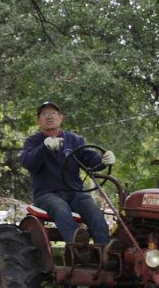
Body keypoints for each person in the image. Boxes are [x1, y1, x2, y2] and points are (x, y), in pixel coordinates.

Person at [19, 101, 115, 248]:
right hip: (47, 194)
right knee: (60, 208)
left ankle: (105, 251)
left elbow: (89, 159)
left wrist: (103, 160)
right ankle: (77, 247)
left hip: (75, 192)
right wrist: (44, 147)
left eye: (53, 113)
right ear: (38, 120)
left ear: (61, 117)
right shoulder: (32, 142)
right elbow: (28, 163)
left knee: (93, 209)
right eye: (44, 114)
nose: (49, 117)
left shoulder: (75, 140)